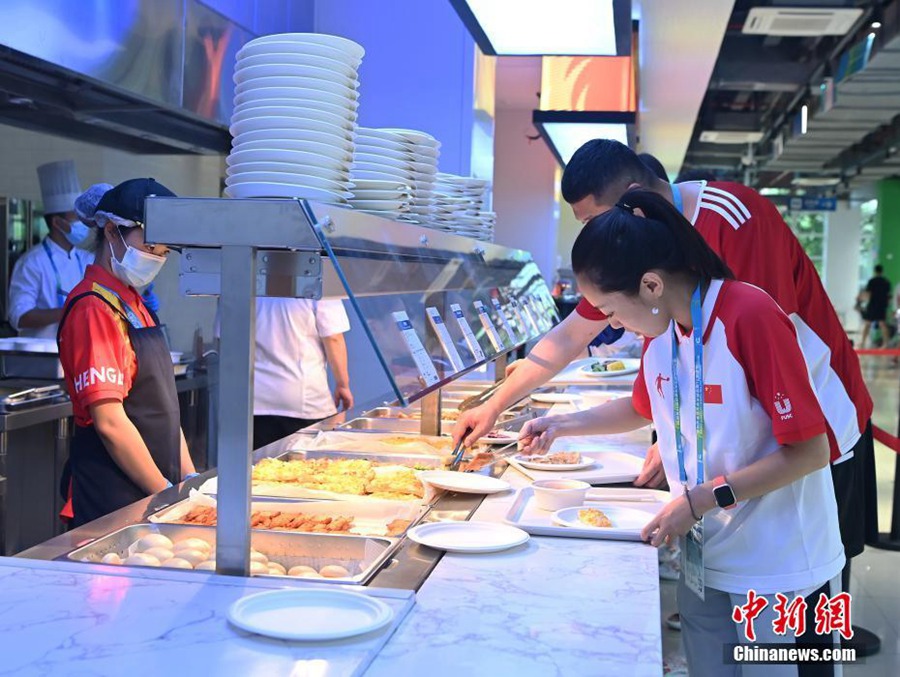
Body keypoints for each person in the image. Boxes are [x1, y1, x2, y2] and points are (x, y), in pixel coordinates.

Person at [453, 138, 875, 649]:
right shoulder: (648, 301)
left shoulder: (734, 240)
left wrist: (680, 442)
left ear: (633, 201)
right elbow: (575, 338)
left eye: (594, 221)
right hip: (725, 502)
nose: (597, 234)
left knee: (799, 613)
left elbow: (764, 359)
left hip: (819, 418)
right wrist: (496, 405)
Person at [520, 189, 845, 675]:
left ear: (650, 284)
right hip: (706, 551)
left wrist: (698, 501)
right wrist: (560, 424)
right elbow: (639, 407)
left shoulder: (747, 314)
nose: (612, 325)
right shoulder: (664, 335)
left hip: (780, 565)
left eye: (610, 310)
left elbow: (809, 451)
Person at [57, 178, 195, 527]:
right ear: (111, 231)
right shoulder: (93, 307)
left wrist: (189, 481)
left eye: (162, 253)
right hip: (113, 501)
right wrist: (163, 491)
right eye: (150, 245)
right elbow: (111, 422)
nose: (155, 258)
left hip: (152, 496)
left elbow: (163, 408)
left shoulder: (133, 301)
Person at [252, 298, 354, 449]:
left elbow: (226, 338)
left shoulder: (246, 284)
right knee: (308, 466)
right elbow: (333, 339)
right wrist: (343, 385)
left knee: (259, 466)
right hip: (304, 399)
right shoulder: (319, 283)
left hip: (255, 399)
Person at [8, 161, 93, 338]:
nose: (82, 223)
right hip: (42, 358)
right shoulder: (32, 262)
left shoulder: (88, 260)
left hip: (78, 356)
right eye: (75, 217)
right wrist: (68, 310)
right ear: (57, 222)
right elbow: (19, 316)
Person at [858, 265, 891, 348]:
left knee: (867, 324)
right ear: (882, 271)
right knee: (882, 324)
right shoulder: (886, 281)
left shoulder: (872, 281)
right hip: (882, 305)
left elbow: (868, 294)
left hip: (873, 304)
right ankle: (886, 344)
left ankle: (862, 342)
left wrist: (862, 302)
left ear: (875, 271)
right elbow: (888, 295)